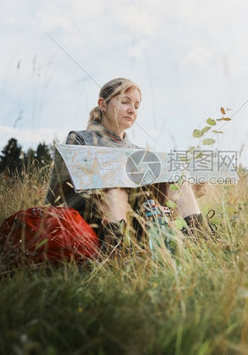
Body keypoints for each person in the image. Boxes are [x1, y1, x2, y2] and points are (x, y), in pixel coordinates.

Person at [46, 78, 212, 253]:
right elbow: (63, 191)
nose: (132, 110)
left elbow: (153, 197)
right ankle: (115, 250)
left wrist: (190, 188)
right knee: (114, 184)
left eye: (137, 106)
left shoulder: (138, 152)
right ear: (103, 104)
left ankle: (200, 238)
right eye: (125, 102)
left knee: (176, 176)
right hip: (88, 218)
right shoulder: (80, 139)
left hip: (136, 221)